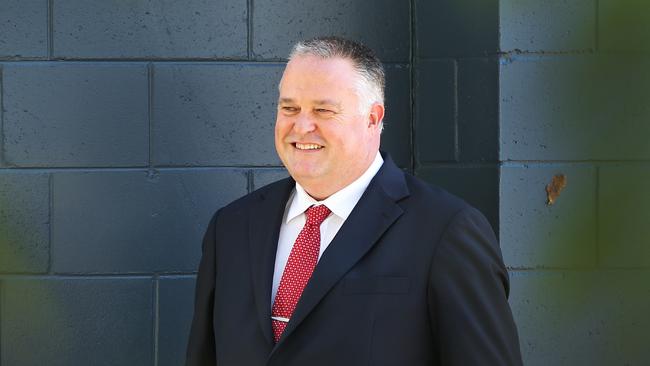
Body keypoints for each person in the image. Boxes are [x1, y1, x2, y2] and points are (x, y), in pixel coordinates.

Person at [186, 36, 523, 366]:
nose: (302, 126)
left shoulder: (446, 231)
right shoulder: (230, 228)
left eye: (323, 110)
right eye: (289, 108)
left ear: (373, 118)